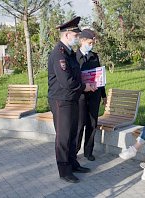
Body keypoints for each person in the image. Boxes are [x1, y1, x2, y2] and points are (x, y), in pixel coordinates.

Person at [48, 16, 96, 183]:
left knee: (73, 133)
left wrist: (87, 82)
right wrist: (85, 87)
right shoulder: (59, 54)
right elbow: (66, 81)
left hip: (72, 99)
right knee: (64, 136)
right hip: (61, 100)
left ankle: (73, 164)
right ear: (67, 34)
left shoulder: (68, 53)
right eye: (76, 35)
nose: (78, 37)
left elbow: (76, 75)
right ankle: (64, 170)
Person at [75, 29, 107, 161]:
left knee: (92, 123)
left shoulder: (94, 56)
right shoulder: (74, 57)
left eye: (93, 42)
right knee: (79, 124)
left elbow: (100, 77)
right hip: (81, 96)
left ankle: (88, 151)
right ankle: (75, 150)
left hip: (95, 95)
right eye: (89, 42)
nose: (91, 44)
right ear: (82, 41)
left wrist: (104, 96)